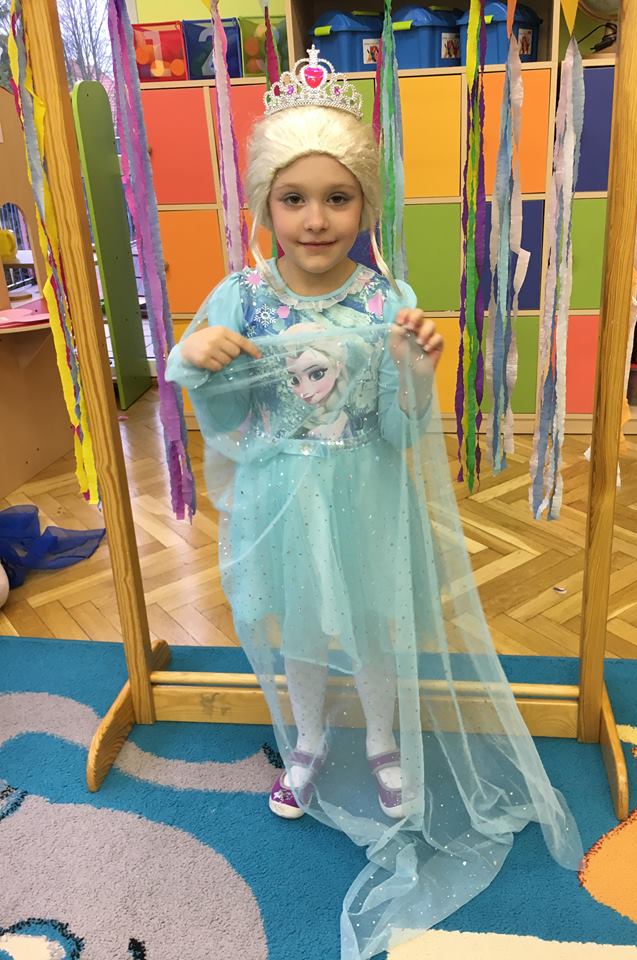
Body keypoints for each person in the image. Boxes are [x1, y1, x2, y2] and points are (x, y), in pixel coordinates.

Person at [166, 45, 582, 960]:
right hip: (282, 497)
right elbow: (226, 414)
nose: (316, 220)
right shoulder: (242, 296)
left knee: (375, 625)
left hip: (364, 494)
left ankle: (387, 738)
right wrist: (193, 360)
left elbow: (399, 431)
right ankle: (309, 739)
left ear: (365, 204)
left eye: (338, 198)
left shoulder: (387, 298)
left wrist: (415, 370)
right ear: (266, 204)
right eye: (293, 198)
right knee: (300, 627)